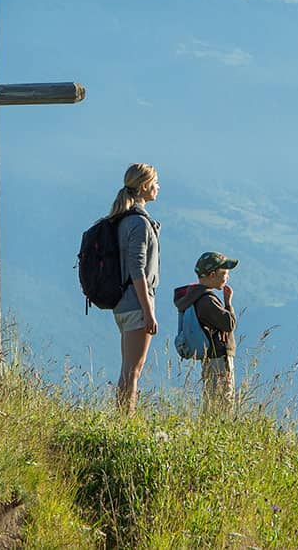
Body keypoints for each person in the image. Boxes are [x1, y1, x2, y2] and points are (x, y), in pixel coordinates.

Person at [110, 163, 161, 413]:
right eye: (155, 182)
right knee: (133, 371)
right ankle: (124, 421)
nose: (158, 187)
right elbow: (137, 268)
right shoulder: (139, 223)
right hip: (136, 303)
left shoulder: (123, 220)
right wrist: (148, 310)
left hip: (122, 303)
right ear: (144, 186)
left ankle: (123, 419)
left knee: (128, 369)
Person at [173, 251, 239, 413]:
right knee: (223, 401)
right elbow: (229, 324)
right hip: (219, 358)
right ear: (212, 275)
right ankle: (219, 430)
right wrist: (228, 303)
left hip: (210, 358)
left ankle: (209, 427)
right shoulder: (207, 300)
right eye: (224, 273)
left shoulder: (194, 297)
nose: (227, 277)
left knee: (212, 397)